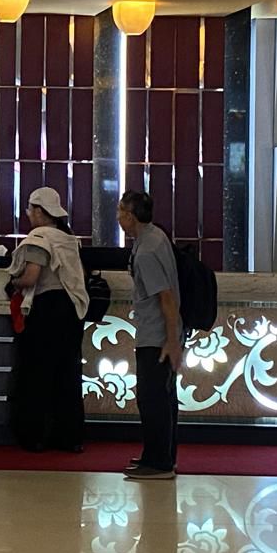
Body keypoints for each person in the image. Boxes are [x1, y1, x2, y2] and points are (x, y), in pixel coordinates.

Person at [6, 186, 89, 453]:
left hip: (45, 311)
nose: (28, 214)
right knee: (67, 374)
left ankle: (35, 435)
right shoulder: (68, 239)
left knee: (37, 374)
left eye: (30, 210)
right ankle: (69, 437)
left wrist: (14, 283)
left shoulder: (39, 238)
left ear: (40, 211)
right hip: (71, 312)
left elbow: (31, 277)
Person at [118, 190, 182, 480]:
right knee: (163, 397)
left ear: (130, 216)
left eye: (120, 211)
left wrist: (171, 341)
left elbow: (165, 298)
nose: (118, 217)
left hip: (156, 335)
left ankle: (159, 463)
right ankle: (161, 455)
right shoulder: (156, 237)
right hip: (160, 332)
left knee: (152, 398)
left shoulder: (146, 252)